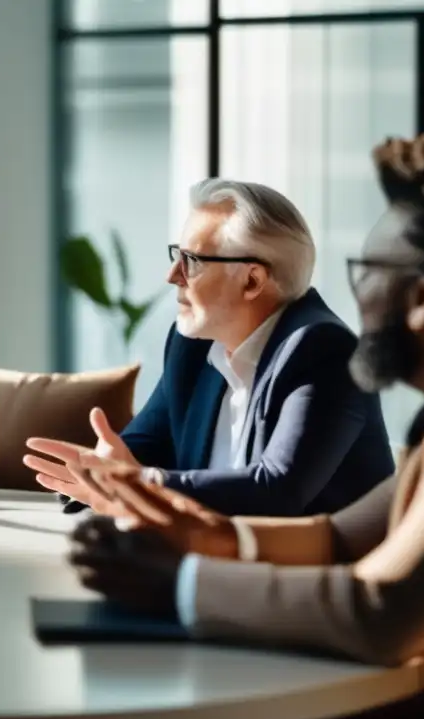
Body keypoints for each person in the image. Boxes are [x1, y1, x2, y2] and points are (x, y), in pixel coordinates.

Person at [67, 133, 424, 719]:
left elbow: (382, 612)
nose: (351, 298)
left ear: (422, 298)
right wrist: (211, 538)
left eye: (368, 271)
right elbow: (339, 537)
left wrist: (182, 581)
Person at [26, 179, 393, 518]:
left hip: (316, 579)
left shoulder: (325, 351)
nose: (173, 276)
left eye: (193, 261)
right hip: (215, 564)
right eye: (177, 256)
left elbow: (278, 488)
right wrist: (97, 471)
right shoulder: (192, 348)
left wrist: (141, 484)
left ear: (252, 281)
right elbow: (141, 447)